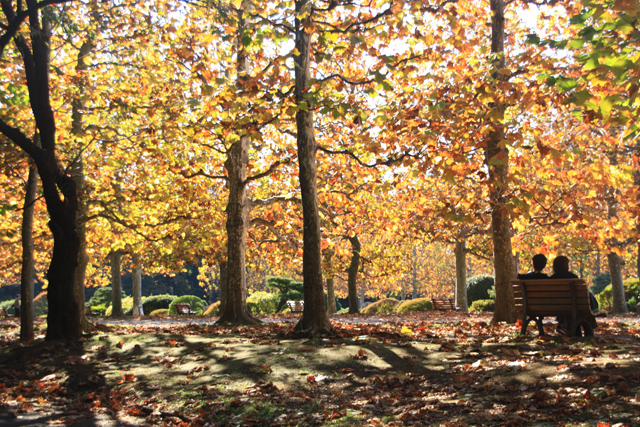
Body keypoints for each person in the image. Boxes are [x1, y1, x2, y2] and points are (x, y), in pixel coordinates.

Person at [551, 255, 598, 333]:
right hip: (574, 306)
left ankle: (568, 328)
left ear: (554, 267)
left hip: (558, 307)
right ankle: (587, 330)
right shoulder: (573, 277)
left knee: (570, 308)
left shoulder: (551, 279)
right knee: (578, 308)